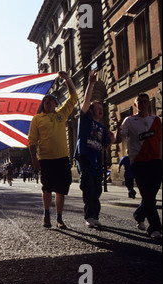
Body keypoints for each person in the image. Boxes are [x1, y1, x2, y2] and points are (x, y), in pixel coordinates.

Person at [28, 71, 77, 229]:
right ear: (43, 104)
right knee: (47, 188)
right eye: (46, 100)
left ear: (56, 104)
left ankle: (59, 218)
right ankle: (46, 214)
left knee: (61, 190)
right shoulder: (37, 119)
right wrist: (34, 159)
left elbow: (74, 98)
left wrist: (68, 79)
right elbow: (32, 140)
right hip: (46, 159)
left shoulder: (61, 114)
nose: (48, 102)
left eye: (51, 100)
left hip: (62, 158)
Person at [116, 93, 162, 239]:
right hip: (138, 163)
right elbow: (118, 139)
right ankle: (155, 228)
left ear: (148, 103)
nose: (142, 104)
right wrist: (117, 129)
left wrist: (161, 159)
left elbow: (160, 141)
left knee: (151, 196)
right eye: (139, 102)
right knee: (148, 196)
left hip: (156, 162)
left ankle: (138, 214)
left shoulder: (156, 120)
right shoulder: (129, 121)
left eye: (144, 102)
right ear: (135, 104)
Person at [74, 70, 115, 228]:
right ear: (91, 111)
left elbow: (103, 147)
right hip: (84, 158)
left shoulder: (103, 128)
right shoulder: (85, 120)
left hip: (97, 162)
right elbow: (85, 103)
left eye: (102, 108)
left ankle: (95, 216)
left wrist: (111, 141)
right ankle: (89, 216)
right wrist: (91, 83)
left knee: (97, 189)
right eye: (98, 107)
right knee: (89, 186)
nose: (101, 110)